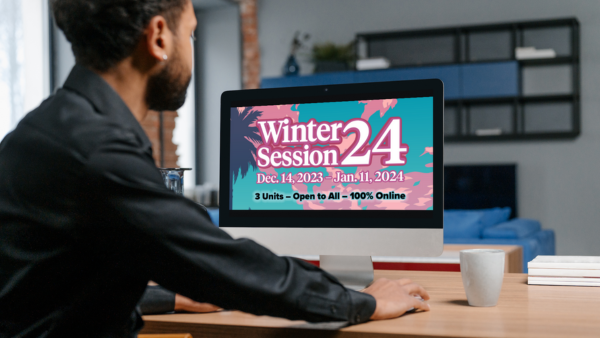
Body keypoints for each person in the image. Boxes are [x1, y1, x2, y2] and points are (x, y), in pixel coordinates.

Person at [0, 0, 430, 337]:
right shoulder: (96, 154)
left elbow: (53, 291)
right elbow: (233, 270)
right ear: (159, 38)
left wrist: (171, 298)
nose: (192, 50)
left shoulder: (48, 131)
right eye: (191, 33)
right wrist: (363, 302)